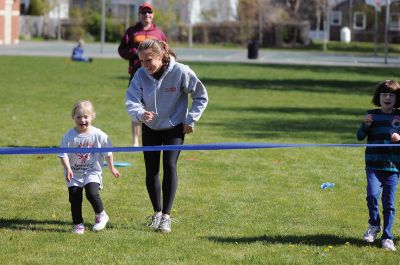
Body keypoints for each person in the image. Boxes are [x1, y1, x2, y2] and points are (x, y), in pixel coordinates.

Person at [125, 39, 208, 233]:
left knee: (169, 165)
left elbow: (201, 96)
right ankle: (156, 213)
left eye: (149, 60)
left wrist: (191, 119)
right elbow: (131, 100)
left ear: (161, 56)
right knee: (151, 170)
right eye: (142, 61)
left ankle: (167, 218)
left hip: (174, 127)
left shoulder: (180, 71)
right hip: (151, 127)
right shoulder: (140, 74)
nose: (145, 66)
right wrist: (140, 113)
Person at [58, 100, 120, 234]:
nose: (82, 120)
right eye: (78, 117)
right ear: (73, 117)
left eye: (86, 116)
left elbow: (108, 152)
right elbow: (63, 155)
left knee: (92, 193)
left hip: (92, 171)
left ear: (92, 116)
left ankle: (101, 215)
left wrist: (112, 168)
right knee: (74, 198)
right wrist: (68, 169)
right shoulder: (69, 136)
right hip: (74, 173)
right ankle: (78, 224)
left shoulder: (98, 135)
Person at [357, 80, 400, 251]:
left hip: (393, 168)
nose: (387, 98)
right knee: (372, 196)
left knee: (389, 203)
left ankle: (387, 237)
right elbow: (359, 136)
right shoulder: (372, 116)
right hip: (373, 166)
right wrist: (366, 125)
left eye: (391, 94)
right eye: (384, 94)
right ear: (379, 97)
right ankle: (374, 225)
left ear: (397, 98)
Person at [118, 2, 167, 147]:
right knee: (136, 105)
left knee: (155, 105)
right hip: (136, 75)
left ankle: (158, 134)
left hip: (156, 77)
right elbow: (122, 50)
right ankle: (135, 140)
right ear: (139, 15)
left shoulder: (158, 33)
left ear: (152, 15)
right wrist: (134, 53)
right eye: (144, 12)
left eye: (149, 12)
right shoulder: (132, 32)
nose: (147, 15)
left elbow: (166, 50)